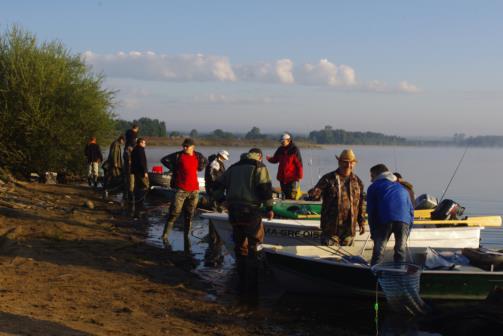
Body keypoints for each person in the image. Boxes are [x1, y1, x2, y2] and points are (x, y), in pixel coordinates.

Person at [214, 148, 274, 297]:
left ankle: (241, 279)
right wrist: (269, 207)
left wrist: (222, 201)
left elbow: (216, 186)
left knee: (240, 245)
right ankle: (253, 284)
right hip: (251, 211)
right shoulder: (259, 167)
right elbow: (265, 188)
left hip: (234, 211)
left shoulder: (233, 167)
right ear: (259, 156)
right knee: (255, 245)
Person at [307, 149, 365, 246]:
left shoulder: (358, 182)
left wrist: (362, 222)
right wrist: (313, 194)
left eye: (351, 163)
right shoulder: (328, 178)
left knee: (348, 259)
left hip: (349, 231)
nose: (348, 165)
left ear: (354, 164)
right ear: (339, 162)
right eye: (345, 162)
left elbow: (361, 204)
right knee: (327, 259)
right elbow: (315, 196)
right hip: (330, 230)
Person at [160, 138, 207, 247]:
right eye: (184, 146)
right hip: (181, 189)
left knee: (190, 214)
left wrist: (201, 167)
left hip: (194, 190)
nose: (184, 148)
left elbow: (205, 161)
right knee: (174, 213)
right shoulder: (178, 155)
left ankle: (187, 237)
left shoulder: (198, 156)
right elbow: (164, 160)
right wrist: (174, 168)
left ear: (193, 147)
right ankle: (165, 236)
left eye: (187, 146)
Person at [367, 164, 414, 266]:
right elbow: (411, 211)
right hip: (404, 221)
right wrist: (408, 230)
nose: (371, 180)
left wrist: (373, 231)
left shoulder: (373, 187)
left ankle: (375, 274)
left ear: (377, 174)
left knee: (379, 252)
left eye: (372, 176)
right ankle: (400, 273)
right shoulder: (402, 188)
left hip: (384, 220)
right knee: (400, 251)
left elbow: (371, 211)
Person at [266, 133, 303, 199]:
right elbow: (275, 159)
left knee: (291, 195)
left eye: (283, 141)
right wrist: (269, 159)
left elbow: (299, 164)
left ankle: (292, 206)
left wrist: (300, 176)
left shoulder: (295, 149)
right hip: (282, 177)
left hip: (291, 177)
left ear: (288, 140)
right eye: (281, 141)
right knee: (283, 194)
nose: (282, 142)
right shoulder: (280, 149)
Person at [130, 138, 149, 219]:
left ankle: (137, 201)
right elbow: (142, 162)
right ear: (140, 143)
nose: (145, 144)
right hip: (141, 172)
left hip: (135, 171)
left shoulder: (134, 150)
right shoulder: (141, 150)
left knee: (137, 186)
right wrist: (145, 171)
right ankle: (140, 202)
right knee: (145, 186)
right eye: (144, 143)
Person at [123, 124, 139, 201]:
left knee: (126, 173)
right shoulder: (134, 134)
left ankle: (125, 191)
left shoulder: (127, 132)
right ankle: (130, 192)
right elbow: (133, 143)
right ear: (136, 128)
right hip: (129, 152)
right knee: (131, 174)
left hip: (126, 151)